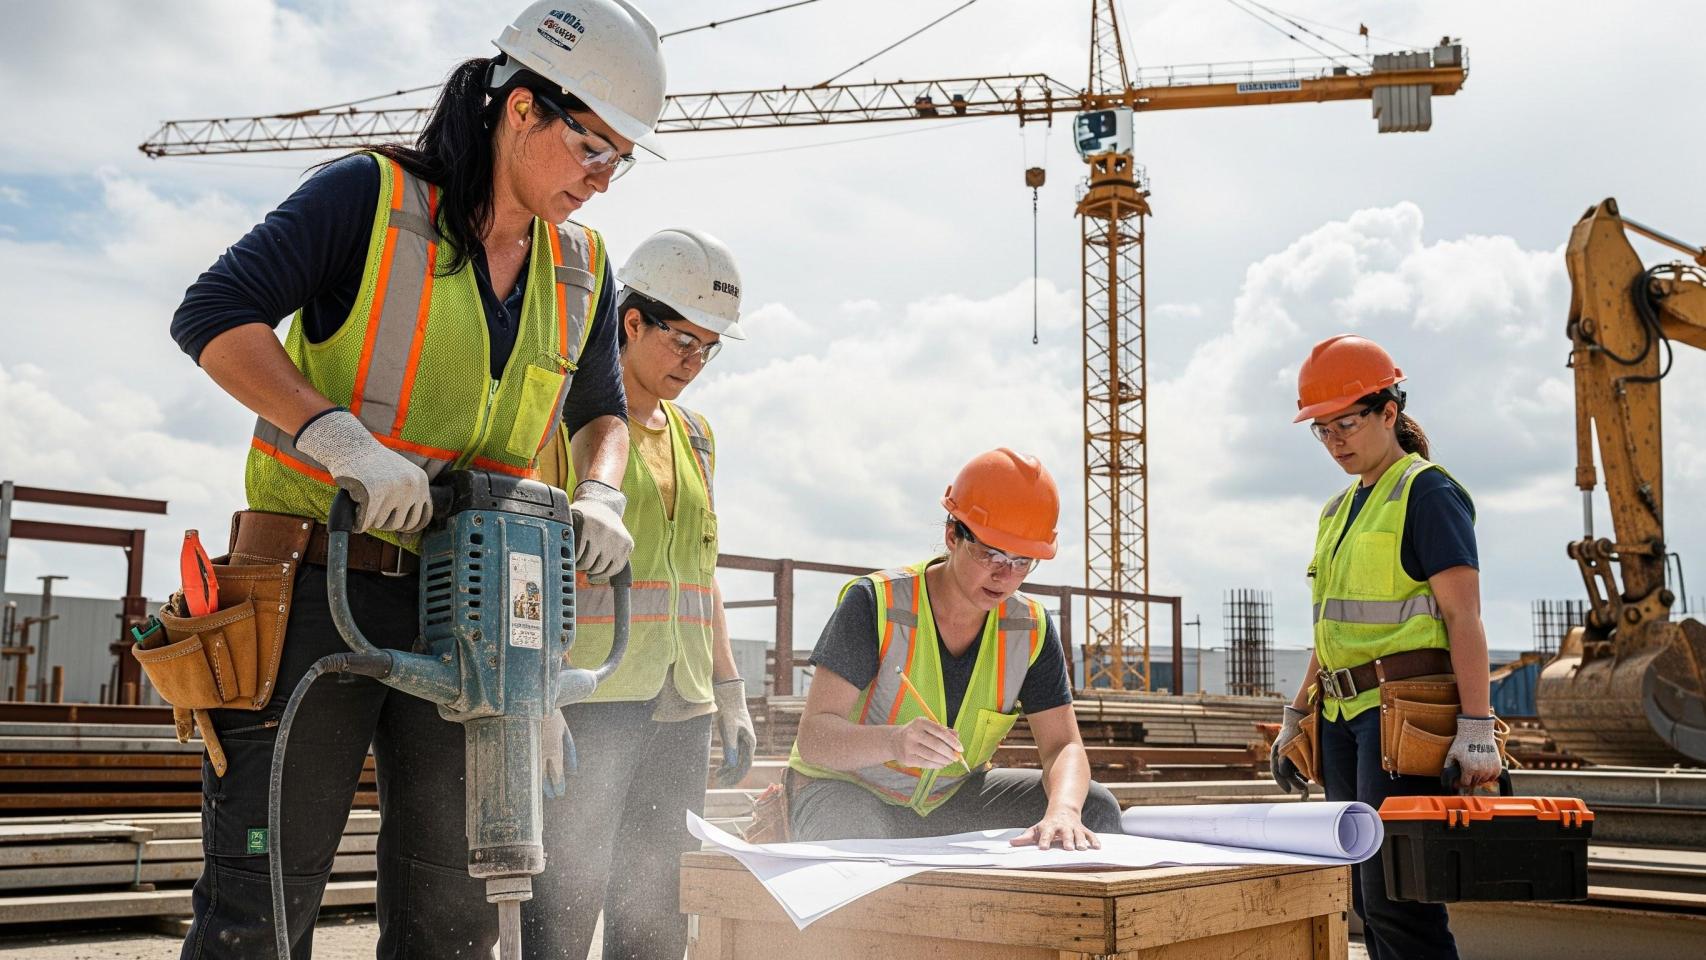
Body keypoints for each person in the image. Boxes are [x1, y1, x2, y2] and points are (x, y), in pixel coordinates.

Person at [164, 2, 666, 955]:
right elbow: (215, 316)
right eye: (592, 148)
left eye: (620, 161)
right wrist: (336, 438)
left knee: (457, 905)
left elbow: (600, 410)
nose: (602, 181)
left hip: (474, 613)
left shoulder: (582, 266)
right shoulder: (370, 198)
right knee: (263, 897)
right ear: (521, 108)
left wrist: (602, 488)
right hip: (311, 591)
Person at [522, 228, 755, 959]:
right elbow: (524, 565)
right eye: (683, 339)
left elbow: (699, 572)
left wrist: (729, 690)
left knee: (657, 908)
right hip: (588, 699)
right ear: (630, 321)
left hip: (677, 700)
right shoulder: (568, 422)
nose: (695, 361)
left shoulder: (696, 435)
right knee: (564, 901)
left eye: (709, 346)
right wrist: (537, 699)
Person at [1272, 334, 1497, 960]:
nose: (1335, 439)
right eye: (1322, 428)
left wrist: (1476, 728)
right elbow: (1333, 629)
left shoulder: (1427, 492)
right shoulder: (1338, 509)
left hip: (1402, 717)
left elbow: (1465, 618)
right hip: (1344, 717)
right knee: (1365, 897)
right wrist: (1299, 712)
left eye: (1347, 421)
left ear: (1388, 412)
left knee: (1398, 897)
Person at [787, 449, 1122, 848]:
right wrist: (893, 743)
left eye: (1022, 561)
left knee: (1097, 808)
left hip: (948, 800)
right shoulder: (876, 604)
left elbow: (1063, 746)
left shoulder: (1029, 629)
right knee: (856, 842)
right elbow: (814, 738)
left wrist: (1063, 811)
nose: (1004, 574)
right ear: (952, 536)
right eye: (991, 554)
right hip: (848, 790)